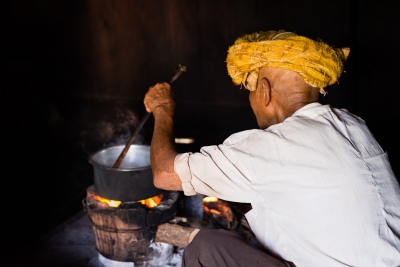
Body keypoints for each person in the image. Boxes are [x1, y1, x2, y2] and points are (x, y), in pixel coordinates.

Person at [143, 30, 400, 266]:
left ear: (264, 91)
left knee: (206, 247)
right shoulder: (353, 124)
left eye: (250, 90)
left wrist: (163, 110)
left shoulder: (275, 144)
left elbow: (164, 173)